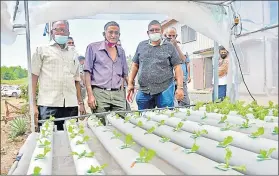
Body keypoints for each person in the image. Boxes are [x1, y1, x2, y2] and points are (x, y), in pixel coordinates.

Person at [31, 20, 86, 131]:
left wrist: (80, 102)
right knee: (48, 139)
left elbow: (76, 80)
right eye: (57, 30)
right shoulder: (41, 50)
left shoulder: (73, 53)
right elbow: (33, 78)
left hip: (71, 105)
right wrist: (33, 105)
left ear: (68, 32)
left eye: (64, 30)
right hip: (49, 105)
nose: (61, 33)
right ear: (52, 32)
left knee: (72, 138)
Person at [127, 20, 184, 110]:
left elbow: (177, 67)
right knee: (144, 118)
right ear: (147, 33)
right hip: (144, 90)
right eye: (152, 30)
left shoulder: (169, 46)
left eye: (157, 30)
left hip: (165, 88)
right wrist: (130, 83)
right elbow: (135, 65)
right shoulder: (141, 45)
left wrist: (180, 87)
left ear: (161, 31)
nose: (154, 32)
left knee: (167, 117)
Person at [84, 21, 128, 124]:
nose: (113, 35)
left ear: (119, 35)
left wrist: (129, 88)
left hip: (117, 94)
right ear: (104, 34)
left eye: (116, 33)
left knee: (121, 124)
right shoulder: (93, 48)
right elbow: (87, 73)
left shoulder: (121, 51)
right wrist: (90, 95)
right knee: (100, 125)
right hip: (100, 93)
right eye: (110, 32)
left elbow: (124, 74)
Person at [165, 27, 191, 106]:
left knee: (184, 101)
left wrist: (176, 46)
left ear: (176, 36)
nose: (172, 38)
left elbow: (183, 59)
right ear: (165, 35)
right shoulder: (163, 46)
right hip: (168, 79)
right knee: (169, 101)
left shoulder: (181, 45)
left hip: (180, 78)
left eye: (174, 36)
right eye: (169, 36)